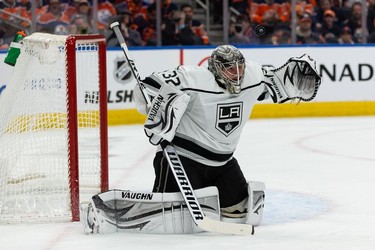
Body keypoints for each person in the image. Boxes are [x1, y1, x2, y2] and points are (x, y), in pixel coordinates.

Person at [80, 45, 321, 235]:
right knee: (168, 216)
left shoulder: (252, 76)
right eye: (230, 69)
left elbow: (278, 80)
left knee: (241, 212)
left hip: (223, 164)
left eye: (239, 68)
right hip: (183, 160)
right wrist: (153, 100)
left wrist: (296, 75)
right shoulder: (192, 78)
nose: (237, 74)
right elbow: (148, 86)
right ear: (216, 68)